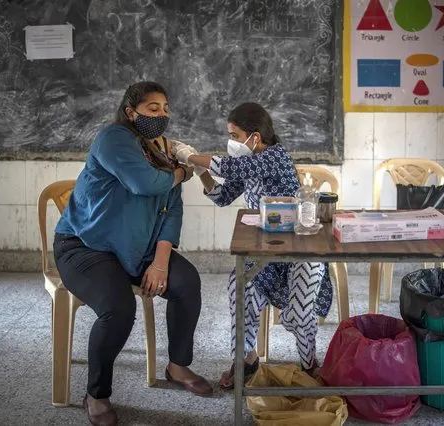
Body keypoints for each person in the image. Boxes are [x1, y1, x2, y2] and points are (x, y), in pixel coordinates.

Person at [53, 81, 213, 426]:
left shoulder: (163, 148)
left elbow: (172, 212)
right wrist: (184, 171)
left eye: (165, 109)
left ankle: (177, 366)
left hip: (138, 250)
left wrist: (159, 262)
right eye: (153, 109)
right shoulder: (113, 138)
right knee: (118, 309)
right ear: (131, 112)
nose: (162, 115)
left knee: (187, 282)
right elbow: (146, 184)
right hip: (86, 246)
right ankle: (96, 394)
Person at [174, 102, 333, 389]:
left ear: (255, 137)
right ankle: (245, 359)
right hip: (265, 252)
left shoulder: (275, 157)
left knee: (298, 313)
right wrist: (201, 173)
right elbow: (222, 196)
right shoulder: (250, 163)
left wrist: (191, 156)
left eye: (234, 135)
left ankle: (309, 363)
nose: (231, 142)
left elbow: (234, 165)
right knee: (240, 287)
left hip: (299, 250)